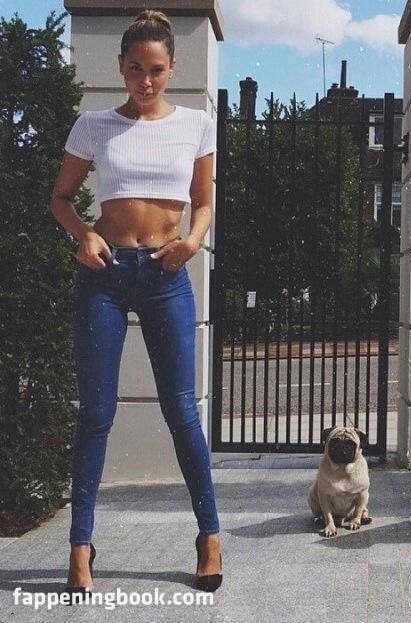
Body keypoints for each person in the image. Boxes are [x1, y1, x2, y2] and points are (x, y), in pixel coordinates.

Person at [50, 9, 222, 594]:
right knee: (96, 414)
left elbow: (203, 202)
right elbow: (61, 198)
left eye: (155, 70)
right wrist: (84, 234)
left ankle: (209, 537)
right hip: (103, 275)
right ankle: (80, 547)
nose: (145, 82)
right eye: (134, 70)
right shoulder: (94, 125)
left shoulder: (196, 124)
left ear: (172, 68)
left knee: (181, 411)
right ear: (120, 67)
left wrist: (192, 242)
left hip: (165, 273)